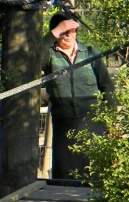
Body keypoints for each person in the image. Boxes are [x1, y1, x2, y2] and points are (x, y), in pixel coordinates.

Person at [41, 10, 114, 182]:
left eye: (70, 30)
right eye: (62, 31)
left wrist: (110, 119)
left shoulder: (89, 53)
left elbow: (107, 87)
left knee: (94, 174)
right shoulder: (49, 55)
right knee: (66, 176)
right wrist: (53, 33)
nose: (67, 35)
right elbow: (31, 60)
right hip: (64, 124)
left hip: (94, 123)